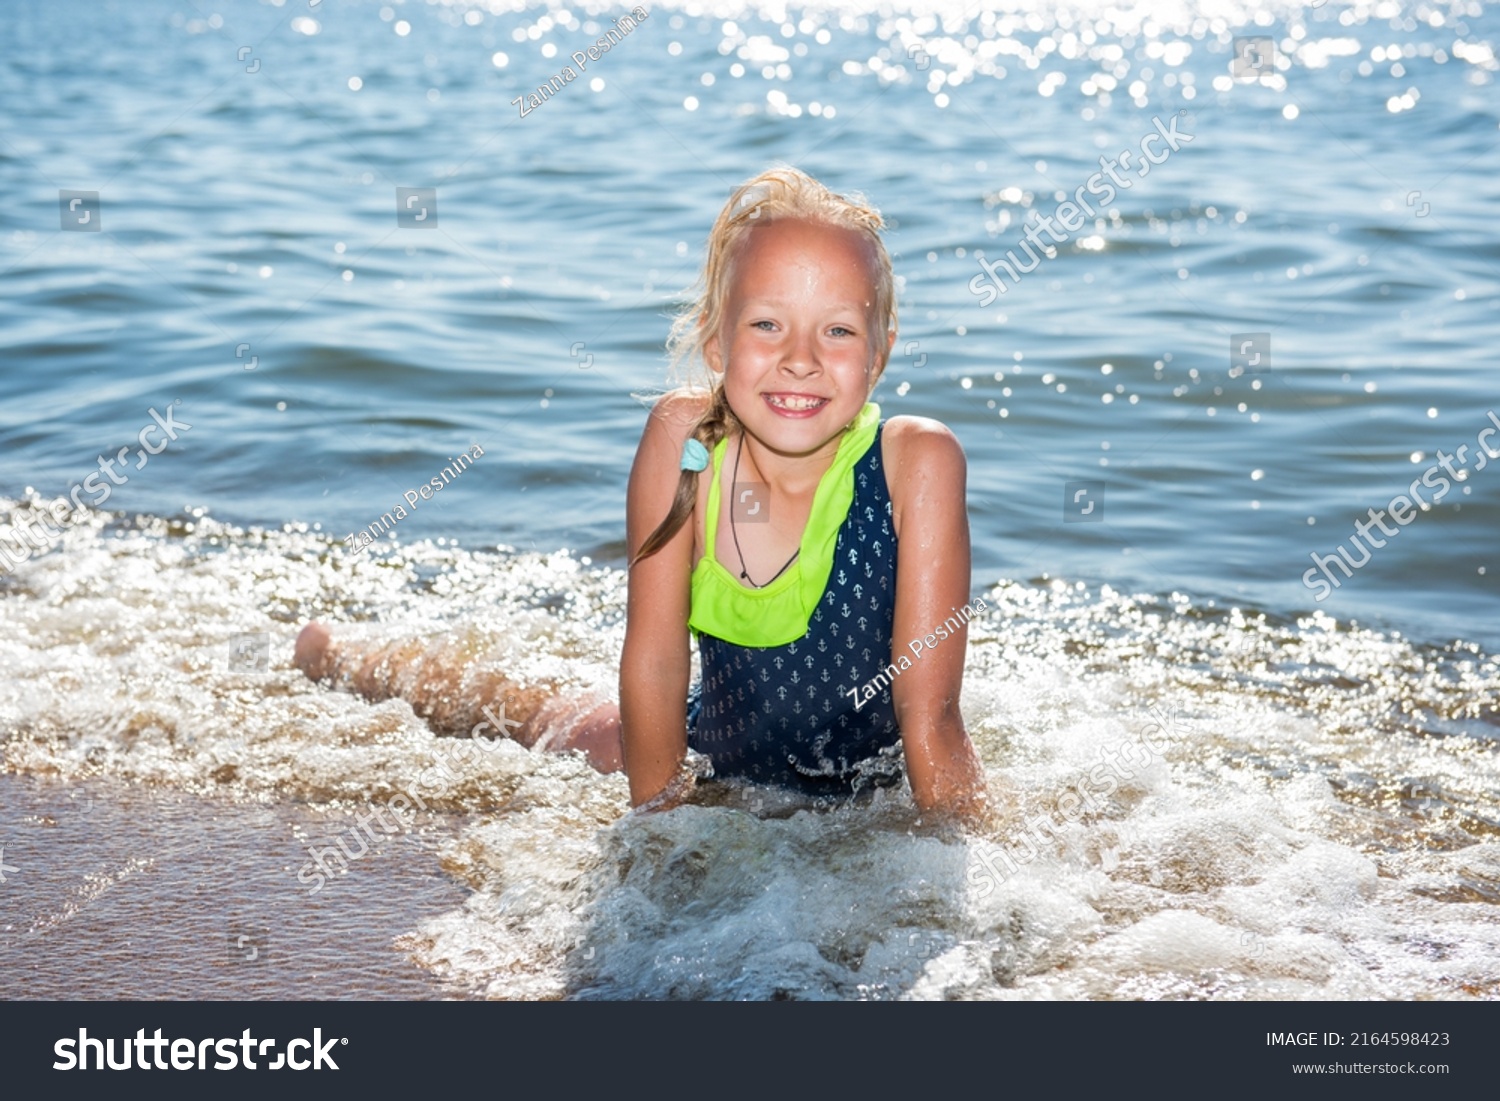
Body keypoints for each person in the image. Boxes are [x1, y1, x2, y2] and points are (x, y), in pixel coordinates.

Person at [295, 166, 986, 820]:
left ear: (879, 354)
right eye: (767, 324)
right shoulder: (689, 442)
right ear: (717, 344)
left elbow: (931, 715)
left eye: (837, 330)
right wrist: (657, 829)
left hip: (864, 792)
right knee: (526, 716)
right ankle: (342, 656)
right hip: (702, 757)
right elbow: (655, 659)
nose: (799, 358)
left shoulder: (915, 463)